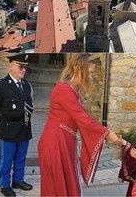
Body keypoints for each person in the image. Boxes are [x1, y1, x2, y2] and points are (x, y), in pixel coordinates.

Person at [37, 54, 123, 196]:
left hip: (63, 141)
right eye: (89, 72)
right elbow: (82, 118)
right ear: (78, 68)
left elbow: (81, 119)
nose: (90, 77)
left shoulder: (72, 89)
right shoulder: (63, 89)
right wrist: (107, 133)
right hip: (56, 143)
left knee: (66, 185)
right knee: (57, 188)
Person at [0, 54, 34, 197]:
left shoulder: (26, 85)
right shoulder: (0, 85)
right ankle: (5, 184)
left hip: (24, 128)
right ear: (11, 65)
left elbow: (30, 104)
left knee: (21, 157)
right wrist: (1, 123)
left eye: (24, 67)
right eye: (20, 66)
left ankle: (18, 180)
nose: (23, 70)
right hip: (8, 128)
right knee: (6, 159)